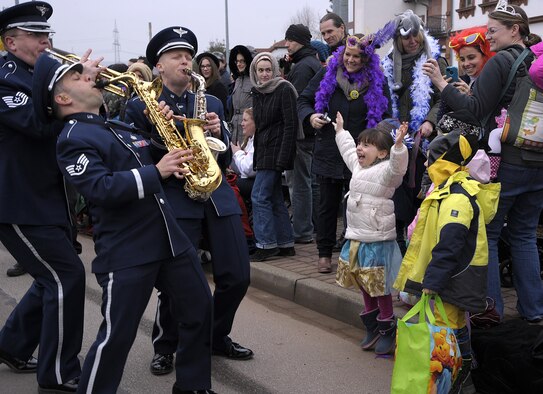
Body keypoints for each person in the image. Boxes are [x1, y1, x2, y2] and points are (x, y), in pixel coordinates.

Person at [32, 51, 215, 394]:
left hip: (168, 239)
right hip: (128, 248)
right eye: (78, 77)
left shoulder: (114, 125)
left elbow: (162, 158)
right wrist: (155, 172)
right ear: (62, 98)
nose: (91, 77)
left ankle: (193, 386)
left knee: (199, 309)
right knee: (118, 334)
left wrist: (169, 126)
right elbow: (100, 188)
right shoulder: (73, 139)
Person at [124, 25, 253, 375]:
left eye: (188, 56)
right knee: (178, 282)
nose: (185, 61)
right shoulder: (140, 106)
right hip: (173, 197)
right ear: (159, 66)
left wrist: (216, 131)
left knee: (238, 276)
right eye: (176, 56)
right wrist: (159, 140)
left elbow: (224, 158)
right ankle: (166, 345)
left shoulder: (209, 100)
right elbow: (132, 159)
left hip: (216, 194)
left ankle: (214, 336)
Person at [422, 1, 543, 323]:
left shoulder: (502, 61)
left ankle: (490, 311)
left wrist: (441, 84)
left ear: (514, 30)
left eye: (492, 30)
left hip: (505, 163)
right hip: (537, 162)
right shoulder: (537, 61)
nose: (487, 37)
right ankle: (534, 313)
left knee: (486, 235)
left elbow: (474, 109)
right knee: (524, 235)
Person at [0, 3, 86, 392]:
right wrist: (66, 86)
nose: (46, 42)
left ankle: (12, 345)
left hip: (48, 198)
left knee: (48, 276)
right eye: (37, 36)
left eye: (47, 35)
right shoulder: (5, 79)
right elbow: (37, 125)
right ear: (11, 42)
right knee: (66, 276)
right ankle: (57, 372)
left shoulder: (38, 75)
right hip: (17, 200)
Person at [394, 130, 500, 394]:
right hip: (452, 275)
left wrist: (433, 281)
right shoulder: (449, 190)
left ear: (447, 162)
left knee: (448, 326)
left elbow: (449, 245)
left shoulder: (457, 197)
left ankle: (460, 373)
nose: (427, 165)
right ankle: (462, 371)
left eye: (432, 159)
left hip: (454, 276)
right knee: (452, 324)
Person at [298, 24, 395, 274]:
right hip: (330, 149)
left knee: (358, 205)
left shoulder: (377, 81)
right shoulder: (327, 75)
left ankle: (352, 253)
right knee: (327, 204)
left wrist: (379, 134)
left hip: (363, 154)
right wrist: (310, 117)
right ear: (342, 55)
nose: (351, 60)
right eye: (348, 55)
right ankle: (323, 253)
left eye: (357, 57)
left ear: (366, 59)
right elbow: (304, 100)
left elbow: (386, 115)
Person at [334, 113, 408, 355]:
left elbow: (398, 168)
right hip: (356, 235)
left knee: (379, 286)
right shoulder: (358, 165)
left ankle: (388, 327)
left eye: (366, 145)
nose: (359, 148)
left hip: (377, 238)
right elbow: (346, 151)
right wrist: (341, 131)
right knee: (363, 282)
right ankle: (373, 326)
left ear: (382, 153)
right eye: (359, 143)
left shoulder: (387, 169)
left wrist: (398, 146)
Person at [381, 9, 447, 255]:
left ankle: (416, 241)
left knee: (418, 186)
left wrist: (430, 120)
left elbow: (444, 98)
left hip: (425, 139)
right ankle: (398, 239)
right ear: (397, 40)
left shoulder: (434, 61)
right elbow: (383, 99)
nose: (411, 42)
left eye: (415, 36)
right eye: (405, 37)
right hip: (396, 136)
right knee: (396, 187)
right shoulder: (388, 64)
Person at [248, 52, 297, 262]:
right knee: (274, 196)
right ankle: (285, 242)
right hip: (264, 151)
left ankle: (266, 244)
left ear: (275, 70)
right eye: (261, 70)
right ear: (255, 72)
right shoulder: (257, 91)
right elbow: (259, 128)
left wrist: (283, 157)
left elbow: (291, 125)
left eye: (269, 69)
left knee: (258, 197)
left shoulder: (284, 88)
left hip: (276, 151)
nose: (265, 74)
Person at [284, 23, 323, 245]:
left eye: (289, 40)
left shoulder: (301, 67)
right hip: (312, 131)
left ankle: (301, 231)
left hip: (301, 133)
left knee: (299, 184)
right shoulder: (312, 62)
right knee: (311, 182)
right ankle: (314, 226)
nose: (287, 44)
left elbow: (295, 102)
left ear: (299, 40)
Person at [228, 45, 254, 145]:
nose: (239, 64)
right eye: (237, 61)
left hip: (248, 127)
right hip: (235, 128)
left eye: (242, 61)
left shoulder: (254, 81)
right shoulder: (237, 81)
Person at [231, 107, 256, 204]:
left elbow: (248, 170)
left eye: (245, 120)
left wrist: (237, 153)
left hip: (254, 183)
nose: (242, 124)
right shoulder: (249, 140)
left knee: (230, 187)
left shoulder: (257, 142)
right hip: (248, 180)